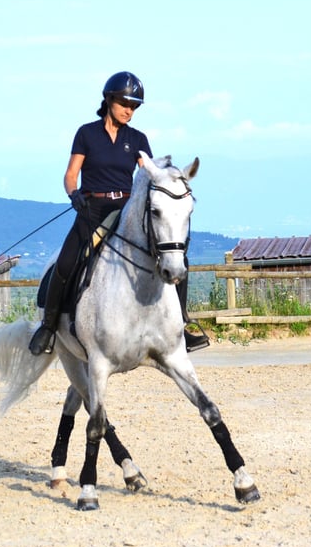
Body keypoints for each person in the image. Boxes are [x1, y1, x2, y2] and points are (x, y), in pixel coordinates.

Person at [28, 71, 209, 356]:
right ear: (109, 100)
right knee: (66, 261)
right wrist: (74, 195)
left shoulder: (138, 139)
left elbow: (149, 173)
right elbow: (70, 174)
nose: (129, 111)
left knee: (177, 257)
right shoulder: (86, 133)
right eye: (125, 103)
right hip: (93, 209)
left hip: (125, 210)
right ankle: (48, 327)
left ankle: (181, 325)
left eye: (134, 106)